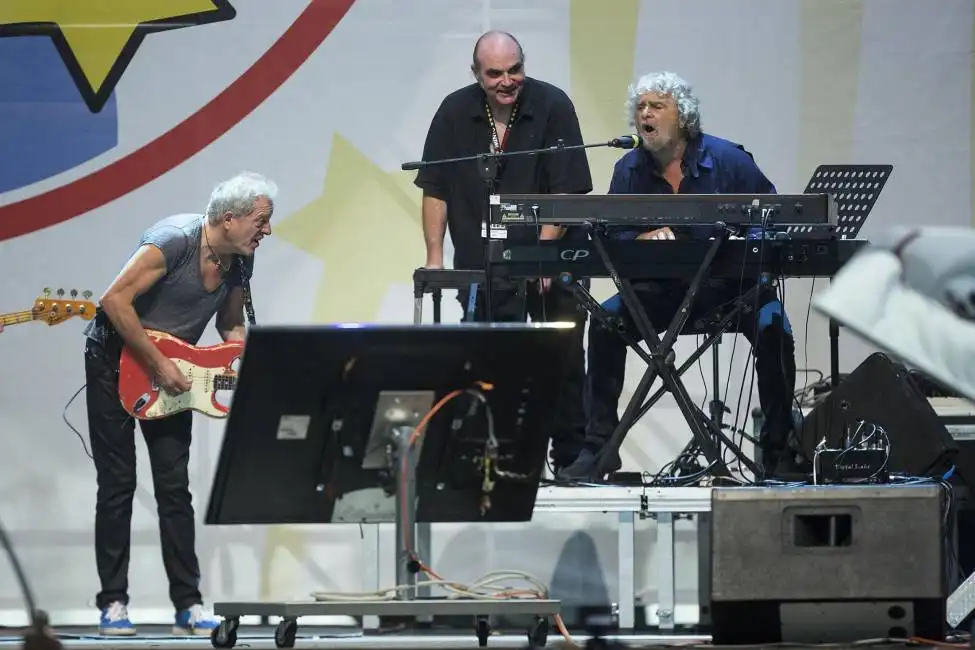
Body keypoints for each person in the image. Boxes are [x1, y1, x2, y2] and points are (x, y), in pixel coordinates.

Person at [557, 72, 798, 482]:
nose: (645, 115)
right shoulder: (628, 170)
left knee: (774, 323)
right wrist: (641, 237)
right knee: (605, 322)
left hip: (730, 291)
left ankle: (780, 450)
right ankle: (599, 448)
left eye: (656, 106)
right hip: (659, 294)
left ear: (682, 117)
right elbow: (614, 235)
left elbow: (771, 219)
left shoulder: (730, 161)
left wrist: (746, 248)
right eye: (640, 107)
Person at [82, 171, 276, 636]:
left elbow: (230, 325)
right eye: (261, 220)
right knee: (117, 485)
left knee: (174, 489)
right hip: (115, 363)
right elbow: (114, 301)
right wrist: (156, 363)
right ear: (229, 218)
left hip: (172, 373)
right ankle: (113, 603)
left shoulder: (239, 261)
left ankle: (187, 605)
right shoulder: (173, 241)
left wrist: (242, 361)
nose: (267, 231)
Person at [413, 31, 594, 472]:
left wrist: (544, 255)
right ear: (476, 74)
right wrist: (435, 258)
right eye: (495, 73)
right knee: (491, 360)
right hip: (482, 264)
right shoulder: (454, 112)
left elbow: (565, 190)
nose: (507, 81)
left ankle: (570, 458)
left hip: (552, 257)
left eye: (515, 70)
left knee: (564, 354)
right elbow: (434, 189)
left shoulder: (553, 105)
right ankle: (499, 458)